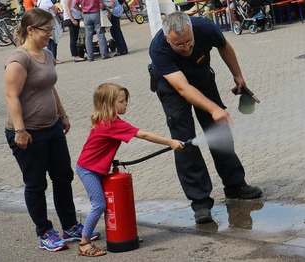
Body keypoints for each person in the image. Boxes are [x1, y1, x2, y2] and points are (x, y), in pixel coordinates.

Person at [148, 12, 262, 224]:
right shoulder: (158, 49)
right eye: (179, 45)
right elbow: (183, 88)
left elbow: (224, 46)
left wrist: (237, 75)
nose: (186, 48)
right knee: (184, 141)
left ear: (192, 30)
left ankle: (235, 185)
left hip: (202, 77)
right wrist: (214, 108)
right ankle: (200, 202)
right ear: (167, 39)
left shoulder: (205, 27)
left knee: (219, 129)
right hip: (173, 88)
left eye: (189, 42)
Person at [3, 8, 99, 252]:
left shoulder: (45, 54)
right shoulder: (18, 60)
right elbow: (11, 97)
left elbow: (50, 88)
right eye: (46, 30)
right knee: (36, 184)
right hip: (28, 132)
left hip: (52, 127)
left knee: (62, 177)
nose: (50, 34)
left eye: (52, 29)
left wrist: (63, 115)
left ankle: (69, 226)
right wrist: (20, 130)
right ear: (30, 30)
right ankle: (45, 232)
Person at [75, 83, 184, 257]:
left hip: (94, 168)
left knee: (110, 203)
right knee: (100, 205)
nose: (126, 104)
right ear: (109, 104)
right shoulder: (112, 124)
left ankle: (119, 233)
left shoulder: (106, 119)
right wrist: (170, 142)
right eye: (122, 101)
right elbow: (144, 135)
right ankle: (84, 243)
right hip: (88, 170)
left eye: (125, 100)